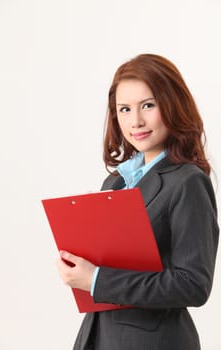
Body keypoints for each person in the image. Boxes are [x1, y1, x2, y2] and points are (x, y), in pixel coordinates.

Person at [56, 53, 219, 350]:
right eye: (124, 109)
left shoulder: (188, 181)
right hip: (98, 336)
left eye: (148, 105)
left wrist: (96, 280)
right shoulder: (116, 182)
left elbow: (193, 284)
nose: (136, 121)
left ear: (172, 104)